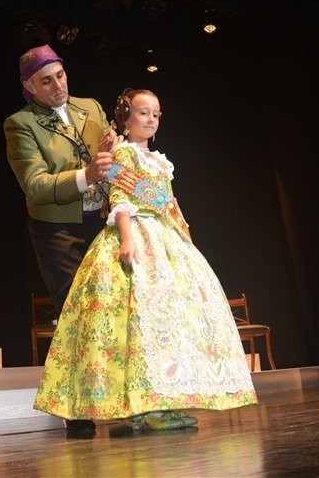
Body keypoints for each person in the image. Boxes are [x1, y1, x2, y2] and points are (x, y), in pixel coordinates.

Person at [33, 88, 258, 433]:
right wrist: (127, 238)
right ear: (126, 118)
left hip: (166, 238)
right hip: (136, 234)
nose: (150, 119)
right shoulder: (123, 153)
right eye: (143, 113)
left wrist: (185, 241)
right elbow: (121, 199)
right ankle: (142, 407)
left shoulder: (160, 161)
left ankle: (166, 401)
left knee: (171, 321)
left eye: (155, 114)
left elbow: (170, 205)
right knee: (138, 321)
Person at [4, 44, 119, 433]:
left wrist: (114, 151)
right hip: (58, 229)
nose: (58, 86)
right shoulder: (20, 124)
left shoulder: (91, 106)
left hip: (103, 222)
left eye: (60, 75)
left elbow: (114, 155)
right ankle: (77, 410)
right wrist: (87, 175)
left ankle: (127, 402)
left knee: (117, 307)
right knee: (74, 312)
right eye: (46, 81)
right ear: (29, 86)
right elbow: (35, 186)